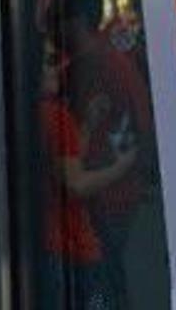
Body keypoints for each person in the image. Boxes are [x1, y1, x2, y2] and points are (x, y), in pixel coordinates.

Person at [52, 0, 155, 308]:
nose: (50, 30)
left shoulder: (91, 68)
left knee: (101, 292)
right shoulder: (105, 60)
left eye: (55, 17)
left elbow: (75, 155)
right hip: (114, 202)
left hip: (104, 207)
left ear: (76, 21)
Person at [38, 42, 137, 309]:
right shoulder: (56, 118)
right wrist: (122, 167)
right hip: (77, 250)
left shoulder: (38, 115)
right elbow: (75, 184)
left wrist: (89, 125)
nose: (57, 69)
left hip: (54, 246)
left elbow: (67, 166)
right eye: (49, 62)